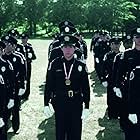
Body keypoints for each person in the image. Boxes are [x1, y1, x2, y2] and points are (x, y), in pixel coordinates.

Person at [44, 34, 90, 140]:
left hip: (76, 102)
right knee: (60, 130)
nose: (67, 50)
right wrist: (46, 103)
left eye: (70, 47)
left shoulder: (80, 65)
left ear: (75, 48)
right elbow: (49, 84)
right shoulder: (55, 64)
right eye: (65, 47)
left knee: (75, 131)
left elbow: (86, 88)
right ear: (61, 48)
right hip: (60, 101)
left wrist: (87, 106)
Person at [101, 37, 122, 119]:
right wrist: (103, 79)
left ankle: (119, 113)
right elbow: (103, 68)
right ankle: (111, 114)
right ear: (111, 45)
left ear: (120, 45)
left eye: (118, 44)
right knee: (111, 97)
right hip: (111, 79)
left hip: (120, 79)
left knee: (119, 97)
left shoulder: (122, 55)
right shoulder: (108, 55)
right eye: (114, 44)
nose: (116, 46)